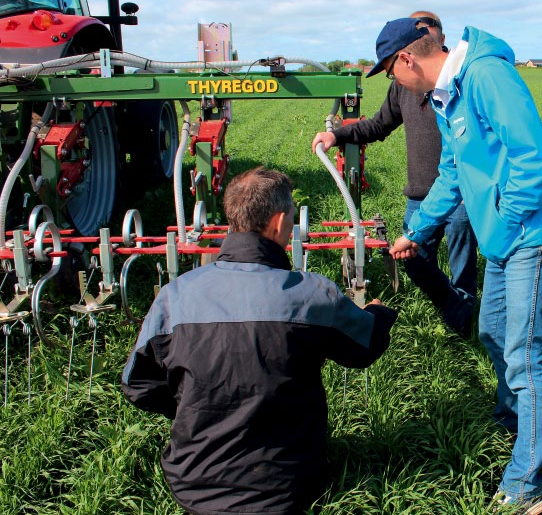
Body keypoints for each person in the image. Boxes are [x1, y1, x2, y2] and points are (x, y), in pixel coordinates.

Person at [373, 17, 542, 514]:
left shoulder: (485, 76)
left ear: (406, 60)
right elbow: (453, 172)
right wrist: (415, 233)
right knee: (491, 331)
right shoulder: (448, 96)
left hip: (533, 233)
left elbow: (530, 158)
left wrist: (502, 227)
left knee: (525, 354)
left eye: (391, 72)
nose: (395, 83)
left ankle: (526, 481)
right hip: (506, 238)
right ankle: (514, 421)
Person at [121, 167, 398, 515]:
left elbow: (137, 385)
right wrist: (380, 312)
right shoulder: (311, 295)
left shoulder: (175, 297)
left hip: (193, 485)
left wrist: (197, 407)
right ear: (279, 223)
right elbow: (365, 347)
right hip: (289, 485)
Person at [311, 11, 478, 338]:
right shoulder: (404, 88)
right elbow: (378, 125)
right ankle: (454, 307)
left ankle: (463, 330)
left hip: (459, 195)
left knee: (463, 268)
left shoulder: (460, 84)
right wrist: (337, 136)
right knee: (414, 261)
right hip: (420, 196)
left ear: (439, 42)